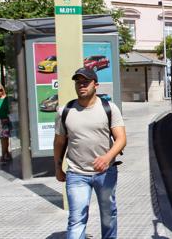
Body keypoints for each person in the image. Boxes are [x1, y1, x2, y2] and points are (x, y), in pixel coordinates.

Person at [53, 67, 126, 239]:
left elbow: (121, 139)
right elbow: (59, 143)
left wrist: (107, 158)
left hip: (105, 172)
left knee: (109, 215)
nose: (81, 85)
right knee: (76, 218)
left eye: (86, 82)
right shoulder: (65, 111)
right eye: (78, 82)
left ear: (96, 85)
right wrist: (57, 167)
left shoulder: (109, 108)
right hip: (76, 174)